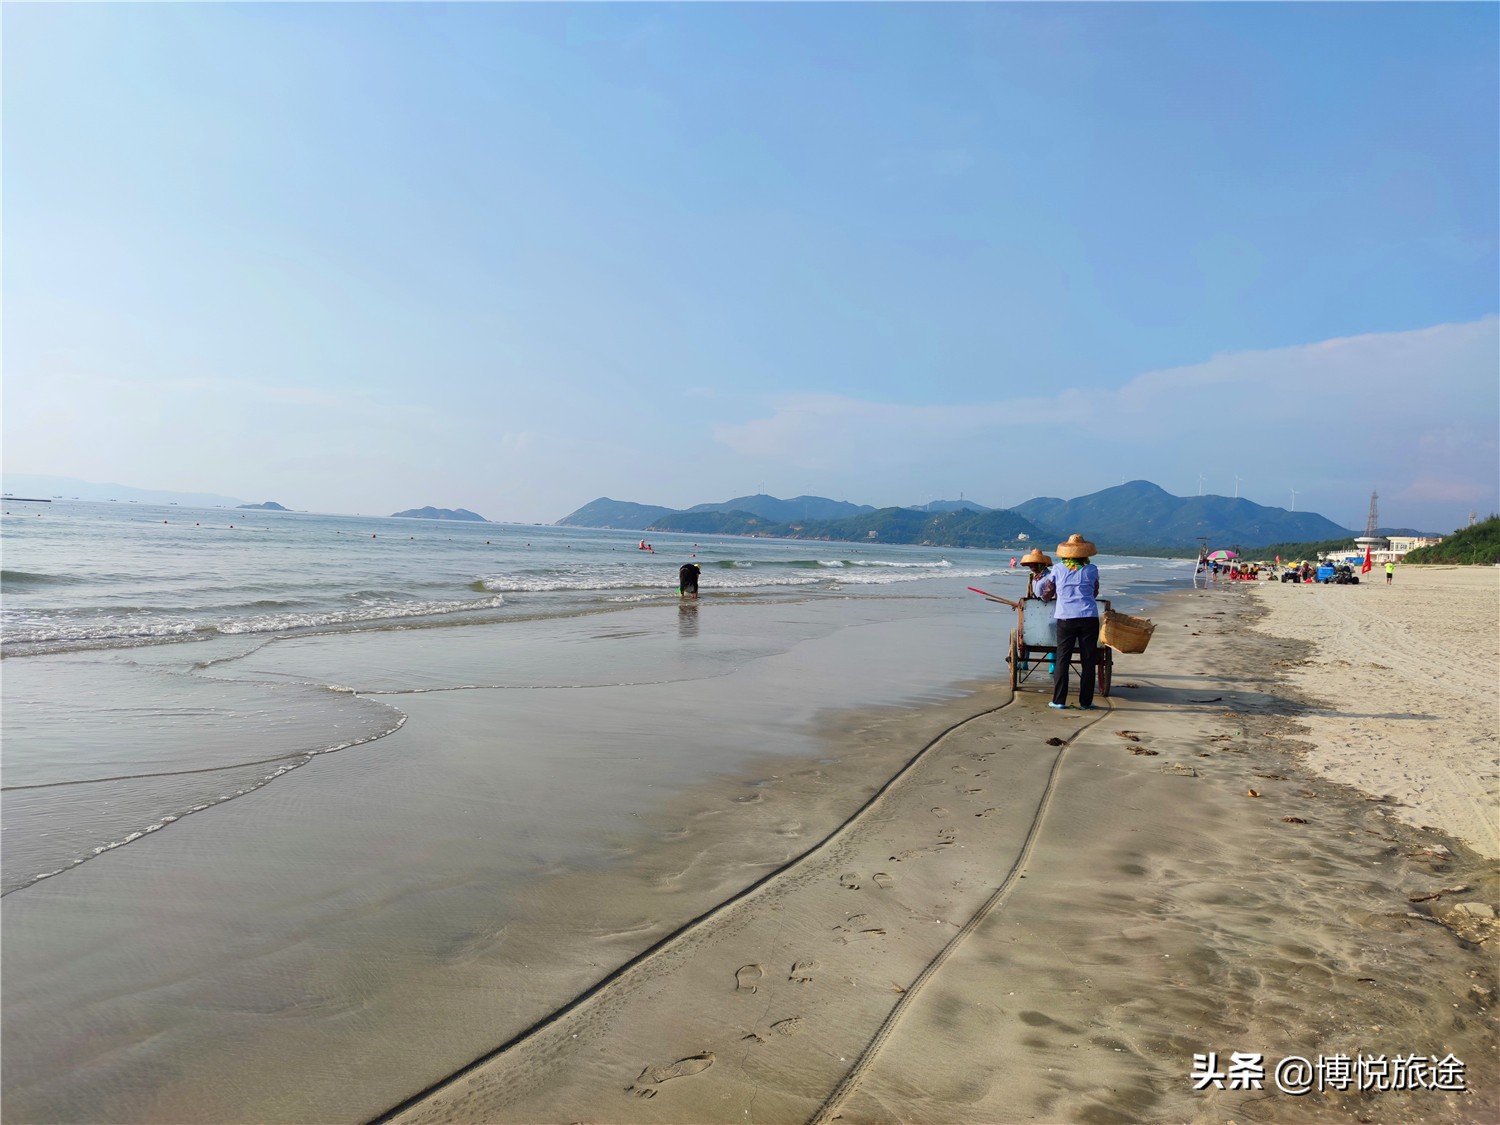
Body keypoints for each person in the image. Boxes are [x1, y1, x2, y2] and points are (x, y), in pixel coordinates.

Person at [1033, 533, 1101, 711]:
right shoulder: (1092, 569)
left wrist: (1049, 597)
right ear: (1085, 554)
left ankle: (1059, 700)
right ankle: (1086, 702)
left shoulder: (1057, 569)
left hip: (1065, 619)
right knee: (1088, 661)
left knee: (1063, 658)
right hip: (1089, 618)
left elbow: (1047, 594)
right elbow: (1095, 593)